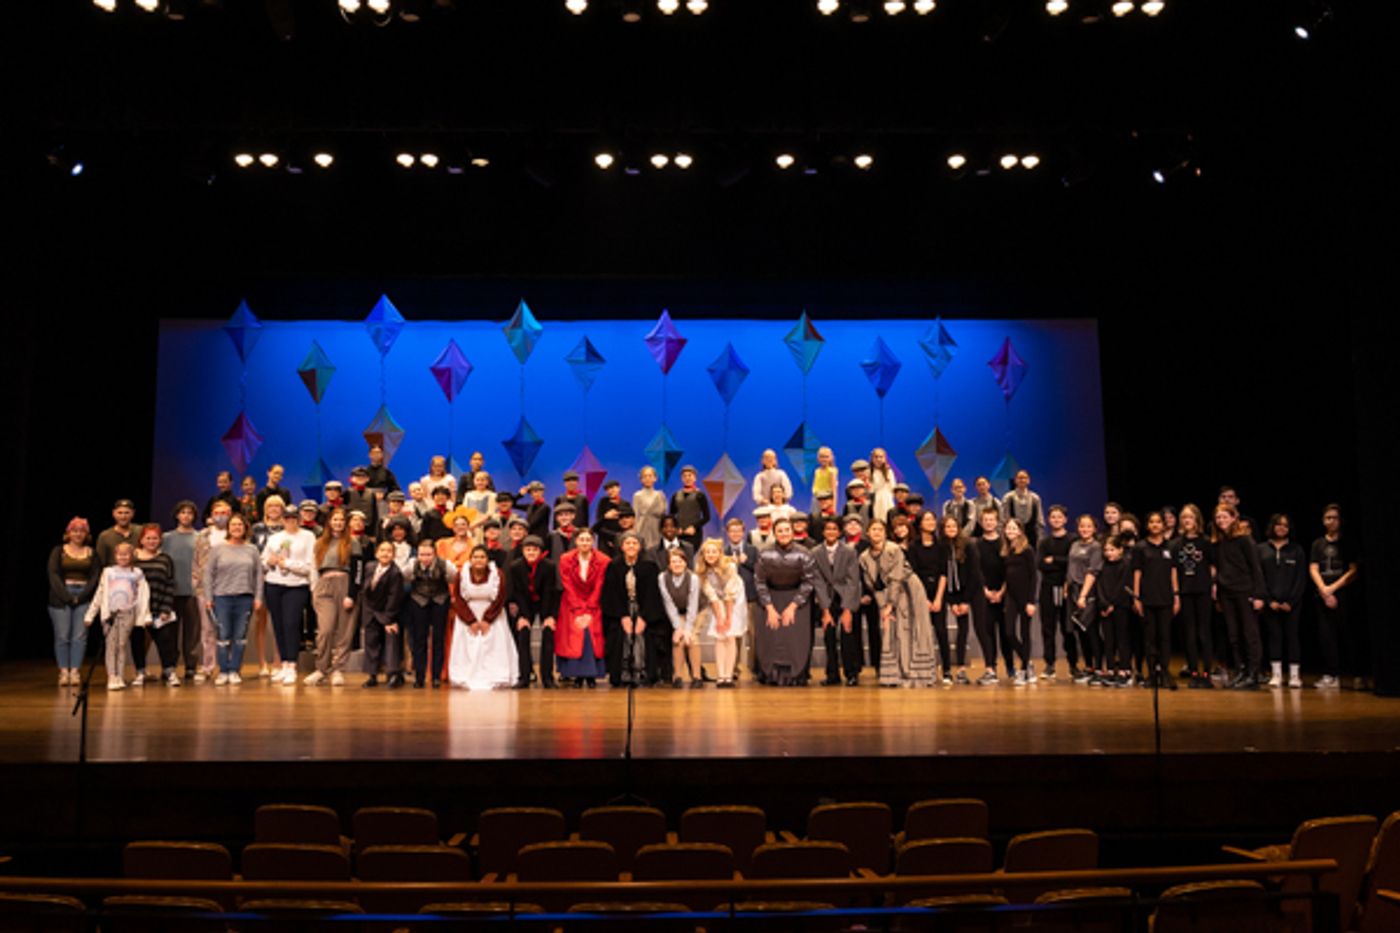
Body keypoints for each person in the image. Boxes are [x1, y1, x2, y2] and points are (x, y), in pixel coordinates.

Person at [860, 519, 935, 687]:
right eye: (873, 529)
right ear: (867, 533)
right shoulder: (864, 557)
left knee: (912, 630)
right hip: (887, 594)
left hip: (908, 590)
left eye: (880, 529)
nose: (877, 532)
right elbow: (873, 585)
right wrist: (883, 608)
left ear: (885, 533)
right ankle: (894, 675)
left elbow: (896, 578)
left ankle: (916, 674)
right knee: (892, 631)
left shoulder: (894, 549)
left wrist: (890, 606)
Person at [754, 517, 818, 686]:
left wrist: (793, 606)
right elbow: (760, 582)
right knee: (772, 637)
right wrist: (769, 608)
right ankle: (770, 674)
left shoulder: (805, 553)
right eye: (780, 531)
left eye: (787, 530)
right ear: (774, 533)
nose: (784, 534)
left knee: (794, 639)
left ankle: (796, 675)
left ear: (792, 531)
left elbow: (808, 581)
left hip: (796, 599)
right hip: (770, 598)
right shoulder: (764, 553)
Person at [305, 508, 365, 687]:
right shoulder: (320, 543)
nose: (338, 523)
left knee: (344, 631)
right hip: (324, 586)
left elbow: (358, 571)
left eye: (341, 520)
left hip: (345, 584)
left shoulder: (352, 542)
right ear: (329, 522)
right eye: (335, 519)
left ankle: (337, 669)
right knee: (325, 629)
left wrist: (352, 595)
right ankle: (321, 669)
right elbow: (313, 568)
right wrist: (314, 589)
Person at [202, 513, 264, 685]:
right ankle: (223, 670)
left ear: (245, 528)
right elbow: (208, 574)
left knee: (240, 636)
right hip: (221, 598)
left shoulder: (252, 549)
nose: (236, 528)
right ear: (228, 528)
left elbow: (258, 575)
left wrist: (258, 597)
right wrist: (208, 597)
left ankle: (235, 670)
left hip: (245, 598)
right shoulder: (218, 549)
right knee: (223, 635)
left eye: (240, 525)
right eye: (233, 525)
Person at [1213, 503, 1266, 690]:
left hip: (1245, 591)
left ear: (1234, 518)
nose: (1221, 520)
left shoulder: (1244, 540)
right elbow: (1219, 568)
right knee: (1233, 634)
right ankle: (1241, 670)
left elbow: (1255, 568)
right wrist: (1218, 594)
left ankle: (1253, 673)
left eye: (1225, 517)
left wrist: (1259, 595)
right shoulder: (1219, 542)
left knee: (1249, 633)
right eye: (1218, 517)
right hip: (1227, 593)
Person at [447, 545, 516, 689]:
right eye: (476, 557)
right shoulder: (462, 574)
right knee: (469, 647)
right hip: (468, 614)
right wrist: (470, 620)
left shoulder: (497, 574)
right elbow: (458, 598)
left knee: (492, 646)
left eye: (482, 557)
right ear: (470, 559)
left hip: (492, 614)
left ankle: (496, 674)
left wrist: (487, 619)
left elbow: (500, 597)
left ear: (487, 559)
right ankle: (465, 674)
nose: (479, 560)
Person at [262, 505, 317, 686]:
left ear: (299, 519)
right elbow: (263, 561)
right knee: (278, 624)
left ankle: (292, 665)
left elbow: (310, 566)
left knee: (292, 624)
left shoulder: (308, 537)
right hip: (274, 584)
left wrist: (289, 564)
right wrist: (270, 562)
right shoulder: (274, 538)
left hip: (296, 585)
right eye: (287, 518)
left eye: (294, 517)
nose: (290, 521)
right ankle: (284, 664)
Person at [601, 531, 664, 686]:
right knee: (621, 636)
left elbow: (652, 594)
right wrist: (623, 616)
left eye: (634, 543)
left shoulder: (650, 567)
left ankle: (641, 672)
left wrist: (643, 617)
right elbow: (611, 594)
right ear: (622, 546)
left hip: (644, 610)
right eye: (627, 543)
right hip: (620, 611)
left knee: (642, 636)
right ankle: (622, 673)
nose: (631, 546)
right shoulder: (613, 566)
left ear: (640, 546)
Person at [85, 542, 150, 690]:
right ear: (115, 555)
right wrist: (90, 614)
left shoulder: (137, 573)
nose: (123, 557)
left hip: (128, 613)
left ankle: (120, 676)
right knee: (110, 645)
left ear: (132, 555)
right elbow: (100, 593)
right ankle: (111, 676)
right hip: (111, 614)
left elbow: (143, 595)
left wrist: (145, 615)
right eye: (119, 554)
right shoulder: (108, 572)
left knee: (121, 645)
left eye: (126, 554)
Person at [1309, 504, 1360, 690]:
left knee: (1349, 633)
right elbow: (1313, 568)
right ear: (1323, 521)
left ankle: (1357, 674)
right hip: (1323, 594)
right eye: (1328, 518)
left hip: (1344, 593)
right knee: (1326, 635)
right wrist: (1324, 589)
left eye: (1335, 518)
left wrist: (1333, 588)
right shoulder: (1318, 544)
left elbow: (1354, 570)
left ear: (1340, 521)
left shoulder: (1348, 542)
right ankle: (1332, 674)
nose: (1331, 521)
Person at [913, 511, 963, 685]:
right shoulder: (914, 546)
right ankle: (925, 669)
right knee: (922, 635)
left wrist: (938, 599)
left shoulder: (941, 546)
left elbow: (944, 573)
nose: (931, 522)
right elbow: (913, 574)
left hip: (938, 592)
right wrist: (923, 600)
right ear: (920, 523)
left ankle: (947, 670)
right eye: (927, 519)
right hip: (920, 593)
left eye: (933, 519)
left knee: (941, 631)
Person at [812, 516, 863, 686]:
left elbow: (853, 580)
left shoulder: (849, 551)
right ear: (823, 532)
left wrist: (847, 609)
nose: (831, 532)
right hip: (827, 597)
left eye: (834, 529)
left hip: (846, 595)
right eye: (828, 529)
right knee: (829, 635)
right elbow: (817, 581)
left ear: (840, 532)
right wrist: (825, 610)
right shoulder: (816, 552)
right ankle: (832, 674)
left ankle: (852, 673)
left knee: (848, 634)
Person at [48, 517, 99, 687]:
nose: (78, 534)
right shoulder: (58, 551)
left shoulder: (91, 552)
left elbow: (94, 576)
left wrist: (82, 596)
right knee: (62, 636)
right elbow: (53, 575)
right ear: (68, 533)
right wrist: (68, 597)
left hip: (84, 596)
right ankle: (64, 672)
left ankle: (75, 672)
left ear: (86, 534)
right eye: (74, 530)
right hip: (61, 597)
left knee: (79, 637)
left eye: (82, 531)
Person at [1170, 504, 1216, 689]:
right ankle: (1194, 672)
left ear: (1197, 520)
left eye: (1190, 517)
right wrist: (1176, 593)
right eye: (1184, 518)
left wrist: (1212, 585)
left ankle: (1206, 672)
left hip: (1203, 590)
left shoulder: (1206, 542)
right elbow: (1173, 570)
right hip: (1185, 591)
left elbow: (1213, 565)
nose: (1187, 521)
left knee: (1204, 632)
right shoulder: (1176, 544)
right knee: (1189, 633)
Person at [1131, 512, 1179, 690]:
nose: (1155, 525)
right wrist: (1136, 597)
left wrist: (1176, 595)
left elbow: (1173, 572)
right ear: (1147, 525)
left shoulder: (1170, 547)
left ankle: (1165, 672)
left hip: (1166, 597)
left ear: (1163, 525)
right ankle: (1152, 673)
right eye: (1152, 522)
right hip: (1147, 598)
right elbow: (1137, 572)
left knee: (1165, 637)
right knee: (1150, 638)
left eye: (1158, 522)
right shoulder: (1140, 547)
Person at [557, 528, 610, 688]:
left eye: (588, 540)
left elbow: (600, 585)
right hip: (571, 603)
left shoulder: (603, 560)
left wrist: (590, 607)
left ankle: (592, 675)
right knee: (576, 635)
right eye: (582, 539)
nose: (585, 543)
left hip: (594, 602)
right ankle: (577, 676)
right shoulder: (566, 559)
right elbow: (568, 584)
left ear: (593, 541)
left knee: (591, 635)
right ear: (576, 541)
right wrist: (579, 609)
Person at [1259, 514, 1307, 689]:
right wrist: (1269, 600)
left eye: (1285, 526)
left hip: (1292, 604)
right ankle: (1276, 674)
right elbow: (1259, 578)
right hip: (1271, 603)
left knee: (1292, 637)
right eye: (1278, 525)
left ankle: (1294, 676)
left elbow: (1300, 578)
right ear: (1272, 526)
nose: (1281, 528)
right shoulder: (1261, 549)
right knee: (1274, 637)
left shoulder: (1297, 550)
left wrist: (1291, 602)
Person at [131, 523, 180, 686]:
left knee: (166, 641)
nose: (152, 541)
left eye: (155, 538)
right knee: (138, 641)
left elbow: (170, 584)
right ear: (141, 540)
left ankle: (169, 671)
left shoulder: (165, 559)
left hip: (159, 608)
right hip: (137, 609)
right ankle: (140, 671)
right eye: (148, 538)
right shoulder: (132, 559)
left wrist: (166, 608)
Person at [507, 535, 559, 689]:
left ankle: (548, 678)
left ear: (540, 552)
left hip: (545, 603)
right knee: (523, 634)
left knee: (548, 634)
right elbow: (517, 592)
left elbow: (551, 592)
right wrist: (523, 616)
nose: (531, 552)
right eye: (528, 549)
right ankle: (524, 677)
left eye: (534, 550)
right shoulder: (515, 566)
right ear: (523, 551)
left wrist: (549, 617)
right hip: (525, 603)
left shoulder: (549, 566)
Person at [404, 540, 457, 688]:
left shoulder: (445, 565)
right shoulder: (411, 565)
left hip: (440, 601)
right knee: (420, 639)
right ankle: (419, 677)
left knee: (438, 639)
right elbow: (404, 577)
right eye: (422, 554)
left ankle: (436, 677)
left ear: (434, 554)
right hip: (419, 600)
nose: (425, 558)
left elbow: (454, 578)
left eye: (428, 554)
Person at [697, 538, 747, 688]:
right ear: (703, 554)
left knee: (729, 635)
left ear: (720, 553)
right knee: (719, 636)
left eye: (714, 551)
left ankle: (728, 675)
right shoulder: (702, 571)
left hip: (735, 599)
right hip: (717, 601)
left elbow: (730, 594)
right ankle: (720, 676)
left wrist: (728, 618)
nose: (711, 555)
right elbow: (711, 594)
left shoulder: (730, 566)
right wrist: (720, 618)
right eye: (708, 552)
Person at [190, 501, 231, 683]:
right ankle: (208, 666)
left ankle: (228, 666)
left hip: (229, 587)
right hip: (205, 588)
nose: (220, 515)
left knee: (227, 629)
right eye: (217, 512)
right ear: (211, 515)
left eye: (224, 512)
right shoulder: (203, 535)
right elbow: (196, 561)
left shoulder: (235, 533)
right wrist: (197, 583)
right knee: (207, 629)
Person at [247, 496, 287, 678]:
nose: (273, 509)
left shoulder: (287, 528)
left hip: (281, 578)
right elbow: (250, 552)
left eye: (277, 506)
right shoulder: (256, 528)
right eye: (270, 505)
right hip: (260, 579)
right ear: (265, 508)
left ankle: (278, 661)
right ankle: (262, 662)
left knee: (279, 621)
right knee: (261, 620)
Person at [163, 501, 202, 682]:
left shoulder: (200, 537)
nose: (186, 516)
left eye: (189, 513)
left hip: (192, 591)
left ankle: (191, 666)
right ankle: (169, 666)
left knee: (192, 632)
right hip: (171, 591)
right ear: (177, 515)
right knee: (170, 632)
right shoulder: (166, 538)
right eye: (182, 512)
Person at [1036, 505, 1076, 680]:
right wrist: (1056, 563)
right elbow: (1040, 564)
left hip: (1067, 588)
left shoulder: (1073, 540)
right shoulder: (1044, 542)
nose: (1056, 520)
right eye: (1053, 517)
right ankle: (1049, 664)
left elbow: (1072, 562)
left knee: (1068, 628)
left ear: (1065, 519)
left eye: (1059, 517)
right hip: (1048, 588)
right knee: (1048, 628)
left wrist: (1054, 560)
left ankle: (1073, 665)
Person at [361, 540, 407, 688]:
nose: (385, 553)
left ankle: (393, 673)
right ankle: (372, 675)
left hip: (388, 611)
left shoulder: (395, 573)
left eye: (389, 551)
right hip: (370, 610)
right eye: (382, 550)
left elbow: (394, 598)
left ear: (393, 555)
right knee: (371, 641)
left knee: (391, 641)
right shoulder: (370, 567)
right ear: (376, 553)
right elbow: (365, 590)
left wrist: (388, 620)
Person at [975, 507, 1012, 682]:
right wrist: (986, 591)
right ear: (981, 522)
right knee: (987, 632)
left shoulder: (1005, 543)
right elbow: (977, 570)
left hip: (1004, 594)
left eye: (992, 520)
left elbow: (1009, 571)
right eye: (986, 520)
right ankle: (991, 668)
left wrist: (1002, 592)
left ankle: (1011, 668)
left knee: (1006, 633)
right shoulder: (977, 545)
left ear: (997, 522)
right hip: (985, 594)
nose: (989, 523)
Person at [1066, 515, 1103, 685]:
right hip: (1073, 590)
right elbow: (1071, 567)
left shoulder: (1096, 547)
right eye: (1082, 526)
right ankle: (1088, 666)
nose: (1085, 529)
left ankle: (1098, 668)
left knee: (1091, 630)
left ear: (1094, 528)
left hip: (1087, 591)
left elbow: (1093, 572)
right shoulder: (1074, 544)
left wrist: (1083, 595)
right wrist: (1067, 586)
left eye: (1088, 526)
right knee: (1080, 631)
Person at [660, 547, 704, 687]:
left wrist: (688, 628)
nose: (677, 564)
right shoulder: (662, 578)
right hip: (677, 611)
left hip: (697, 610)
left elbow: (693, 603)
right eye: (673, 562)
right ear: (669, 564)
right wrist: (678, 627)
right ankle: (677, 676)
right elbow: (668, 603)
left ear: (685, 563)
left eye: (680, 561)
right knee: (678, 639)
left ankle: (697, 677)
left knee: (691, 639)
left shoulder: (693, 578)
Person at [723, 517, 760, 681]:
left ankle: (754, 668)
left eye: (738, 530)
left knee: (753, 634)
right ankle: (733, 668)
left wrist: (747, 562)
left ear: (743, 532)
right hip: (732, 600)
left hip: (751, 597)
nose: (736, 534)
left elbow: (760, 571)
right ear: (727, 533)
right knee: (734, 634)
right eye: (732, 531)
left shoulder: (752, 550)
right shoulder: (723, 552)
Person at [1002, 518, 1037, 686]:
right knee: (1008, 632)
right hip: (1011, 596)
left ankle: (1024, 670)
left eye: (1014, 528)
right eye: (1008, 528)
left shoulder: (1027, 550)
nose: (1010, 531)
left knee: (1025, 633)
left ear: (1020, 531)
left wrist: (1031, 601)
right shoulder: (1006, 550)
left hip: (1025, 597)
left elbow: (1033, 576)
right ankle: (1027, 661)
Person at [1095, 536, 1134, 686]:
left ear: (1120, 550)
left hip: (1120, 607)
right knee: (1108, 639)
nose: (1109, 553)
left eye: (1112, 550)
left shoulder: (1125, 565)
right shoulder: (1103, 566)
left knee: (1122, 638)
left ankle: (1125, 669)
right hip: (1105, 608)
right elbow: (1099, 586)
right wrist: (1104, 604)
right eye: (1106, 550)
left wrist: (1112, 604)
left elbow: (1123, 586)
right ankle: (1110, 669)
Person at [671, 465, 712, 554]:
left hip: (694, 534)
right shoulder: (676, 495)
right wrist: (677, 528)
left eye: (690, 475)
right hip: (679, 533)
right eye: (685, 476)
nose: (687, 478)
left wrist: (694, 527)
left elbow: (707, 517)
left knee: (690, 557)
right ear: (681, 478)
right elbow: (672, 515)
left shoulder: (700, 495)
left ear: (695, 478)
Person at [1001, 469, 1045, 548]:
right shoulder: (1008, 497)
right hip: (1013, 536)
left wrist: (1040, 539)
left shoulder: (1035, 498)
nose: (1022, 480)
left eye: (1024, 478)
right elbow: (1004, 520)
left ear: (1028, 480)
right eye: (1019, 478)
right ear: (1015, 480)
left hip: (1031, 536)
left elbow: (1039, 520)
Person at [95, 499, 141, 567]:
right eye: (120, 513)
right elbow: (100, 563)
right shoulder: (105, 536)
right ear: (113, 513)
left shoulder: (141, 532)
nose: (123, 517)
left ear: (133, 513)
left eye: (127, 513)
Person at [867, 448, 896, 523]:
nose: (878, 459)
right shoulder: (869, 471)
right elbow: (869, 488)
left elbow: (892, 487)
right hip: (875, 499)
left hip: (886, 499)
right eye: (876, 457)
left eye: (881, 457)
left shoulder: (888, 471)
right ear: (872, 458)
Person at [811, 446, 838, 511]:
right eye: (822, 457)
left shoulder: (832, 471)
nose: (824, 459)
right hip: (816, 498)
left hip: (826, 500)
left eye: (826, 457)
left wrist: (834, 506)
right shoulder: (817, 471)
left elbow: (834, 490)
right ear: (818, 458)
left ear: (831, 458)